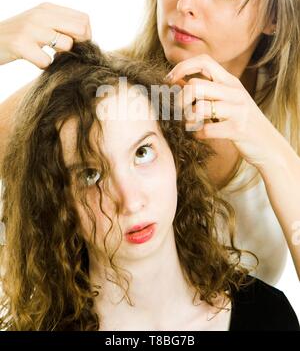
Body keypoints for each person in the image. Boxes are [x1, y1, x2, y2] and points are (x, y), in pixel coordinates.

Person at [0, 0, 300, 285]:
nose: (184, 4)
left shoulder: (290, 113)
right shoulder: (102, 93)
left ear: (276, 15)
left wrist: (271, 151)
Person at [0, 42, 298, 331]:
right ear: (58, 200)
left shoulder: (268, 316)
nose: (130, 201)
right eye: (91, 175)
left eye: (142, 153)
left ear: (176, 157)